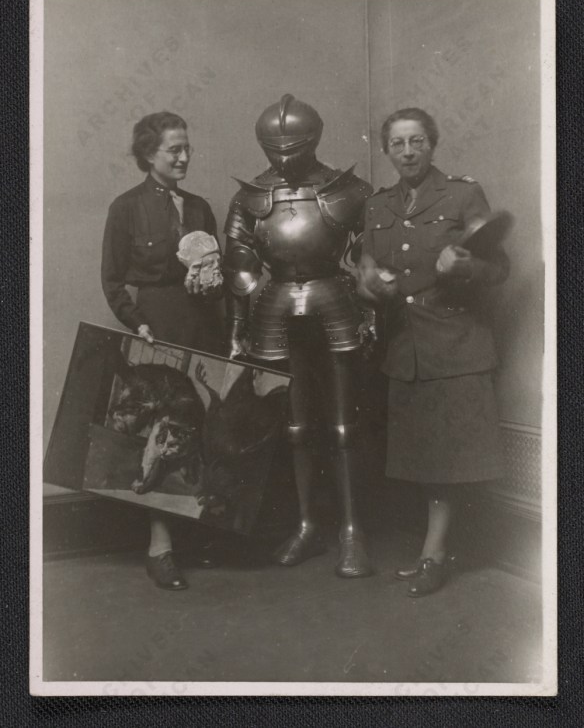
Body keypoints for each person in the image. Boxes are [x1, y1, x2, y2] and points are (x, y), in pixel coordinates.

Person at [358, 107, 509, 597]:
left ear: (432, 144)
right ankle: (435, 550)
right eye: (398, 144)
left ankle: (434, 555)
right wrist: (371, 286)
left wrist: (464, 265)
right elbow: (367, 273)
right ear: (387, 150)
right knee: (424, 456)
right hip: (406, 347)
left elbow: (498, 268)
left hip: (455, 342)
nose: (408, 152)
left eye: (417, 141)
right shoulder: (377, 206)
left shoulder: (462, 194)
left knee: (445, 459)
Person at [223, 94, 374, 578]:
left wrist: (372, 317)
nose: (284, 159)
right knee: (296, 426)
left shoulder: (349, 190)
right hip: (277, 306)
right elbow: (239, 271)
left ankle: (352, 532)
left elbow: (370, 260)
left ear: (314, 140)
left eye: (293, 148)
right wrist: (237, 329)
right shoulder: (249, 197)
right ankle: (308, 526)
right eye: (275, 149)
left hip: (335, 299)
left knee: (344, 425)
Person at [101, 111, 224, 590]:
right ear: (149, 154)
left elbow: (214, 276)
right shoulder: (126, 208)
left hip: (203, 327)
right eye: (174, 149)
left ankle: (196, 535)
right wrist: (139, 323)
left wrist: (214, 288)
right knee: (163, 430)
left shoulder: (200, 208)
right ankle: (161, 547)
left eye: (187, 148)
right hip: (157, 330)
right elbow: (113, 281)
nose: (184, 157)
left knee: (202, 425)